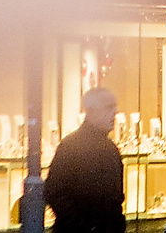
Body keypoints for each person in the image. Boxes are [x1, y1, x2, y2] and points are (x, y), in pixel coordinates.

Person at [44, 88, 125, 233]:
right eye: (109, 107)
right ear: (91, 111)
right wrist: (83, 226)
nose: (115, 112)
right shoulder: (71, 146)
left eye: (114, 107)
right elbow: (55, 192)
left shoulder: (110, 149)